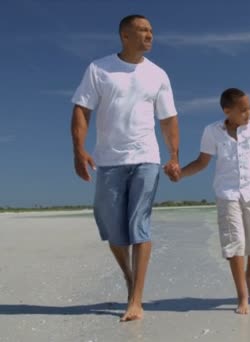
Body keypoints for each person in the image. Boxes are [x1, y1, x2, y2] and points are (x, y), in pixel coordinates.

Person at [70, 14, 180, 322]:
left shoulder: (158, 74)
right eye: (142, 30)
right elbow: (81, 109)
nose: (149, 35)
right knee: (113, 231)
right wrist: (78, 150)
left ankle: (136, 299)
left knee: (139, 225)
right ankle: (130, 277)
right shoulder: (99, 69)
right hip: (108, 161)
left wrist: (173, 155)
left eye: (151, 31)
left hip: (146, 157)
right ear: (124, 35)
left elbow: (169, 119)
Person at [172, 88, 250, 314]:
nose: (249, 113)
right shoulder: (212, 131)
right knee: (234, 243)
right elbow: (201, 162)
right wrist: (181, 174)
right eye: (243, 110)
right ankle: (242, 296)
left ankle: (249, 276)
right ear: (228, 111)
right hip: (227, 194)